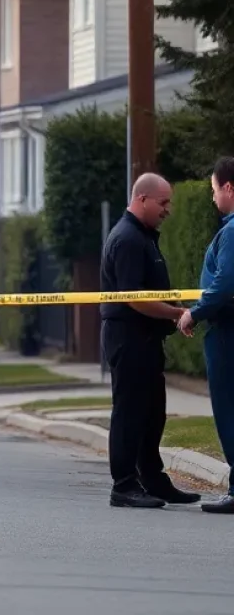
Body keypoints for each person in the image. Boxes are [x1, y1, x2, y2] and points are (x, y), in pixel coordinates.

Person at [100, 173, 200, 508]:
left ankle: (153, 479)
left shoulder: (143, 236)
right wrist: (175, 313)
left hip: (145, 339)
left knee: (152, 412)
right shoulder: (127, 239)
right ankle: (124, 484)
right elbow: (135, 299)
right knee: (129, 412)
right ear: (142, 199)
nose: (168, 209)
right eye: (163, 202)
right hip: (128, 337)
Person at [177, 157, 234, 514]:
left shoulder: (231, 231)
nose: (213, 199)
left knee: (228, 409)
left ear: (229, 188)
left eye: (214, 190)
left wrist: (193, 313)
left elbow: (224, 283)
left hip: (227, 331)